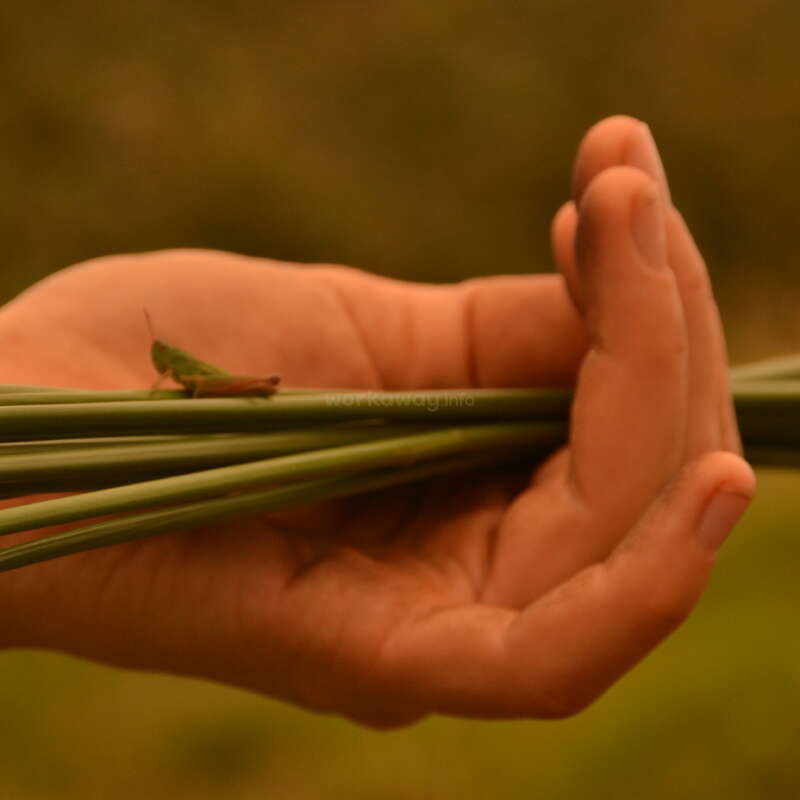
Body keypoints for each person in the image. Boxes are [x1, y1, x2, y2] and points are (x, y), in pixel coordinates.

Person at [0, 115, 755, 727]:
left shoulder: (181, 368)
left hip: (246, 389)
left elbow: (189, 384)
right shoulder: (148, 368)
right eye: (157, 350)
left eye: (158, 348)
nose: (158, 356)